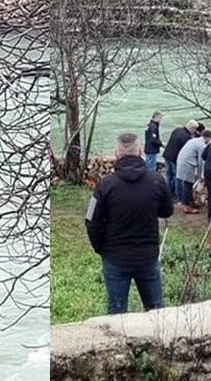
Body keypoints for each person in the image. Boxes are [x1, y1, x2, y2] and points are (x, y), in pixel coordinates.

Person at [85, 133, 174, 315]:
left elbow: (91, 221)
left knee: (116, 313)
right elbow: (167, 211)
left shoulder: (104, 185)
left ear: (116, 154)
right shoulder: (157, 180)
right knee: (156, 311)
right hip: (147, 256)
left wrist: (101, 248)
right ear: (140, 152)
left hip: (115, 257)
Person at [176, 129, 211, 214]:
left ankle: (191, 202)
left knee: (188, 184)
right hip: (187, 164)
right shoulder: (202, 145)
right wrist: (200, 177)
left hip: (182, 161)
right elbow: (200, 162)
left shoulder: (194, 140)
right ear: (207, 138)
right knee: (187, 184)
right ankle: (187, 207)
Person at [162, 120, 198, 201]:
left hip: (167, 155)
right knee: (177, 178)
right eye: (195, 129)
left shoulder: (177, 130)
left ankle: (167, 194)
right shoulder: (186, 137)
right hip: (175, 159)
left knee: (168, 176)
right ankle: (178, 196)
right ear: (191, 128)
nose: (195, 131)